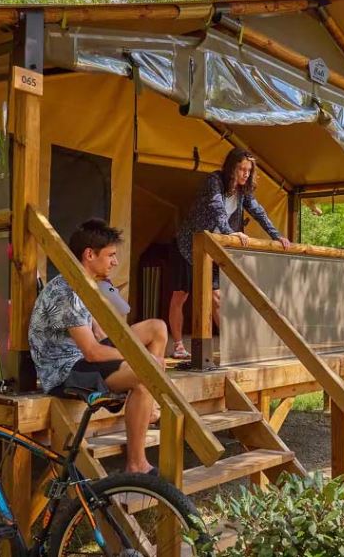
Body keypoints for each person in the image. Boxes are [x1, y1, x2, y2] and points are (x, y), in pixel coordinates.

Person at [29, 219, 168, 475]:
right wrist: (138, 360)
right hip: (64, 372)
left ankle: (147, 405)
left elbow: (99, 334)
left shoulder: (85, 284)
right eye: (111, 255)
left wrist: (130, 357)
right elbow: (92, 352)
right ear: (89, 255)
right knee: (145, 374)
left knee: (156, 328)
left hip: (81, 358)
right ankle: (136, 464)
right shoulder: (66, 293)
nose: (115, 262)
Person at [168, 147, 290, 359]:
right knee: (181, 295)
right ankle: (178, 345)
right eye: (241, 169)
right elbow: (217, 209)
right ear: (231, 167)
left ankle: (232, 345)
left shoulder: (243, 191)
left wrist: (276, 235)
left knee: (217, 297)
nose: (245, 174)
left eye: (248, 170)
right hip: (189, 245)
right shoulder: (214, 181)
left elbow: (258, 211)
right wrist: (230, 232)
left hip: (212, 248)